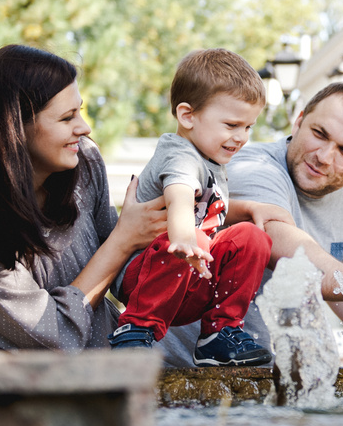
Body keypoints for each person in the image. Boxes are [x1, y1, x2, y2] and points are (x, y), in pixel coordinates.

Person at [158, 81, 343, 366]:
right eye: (319, 134)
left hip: (270, 376)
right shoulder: (251, 167)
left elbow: (337, 286)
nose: (323, 157)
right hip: (184, 372)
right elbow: (282, 241)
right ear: (299, 122)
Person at [0, 44, 166, 351]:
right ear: (15, 126)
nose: (84, 128)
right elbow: (53, 334)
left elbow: (122, 274)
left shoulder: (84, 163)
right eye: (67, 118)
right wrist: (124, 240)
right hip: (9, 380)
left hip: (99, 370)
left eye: (80, 111)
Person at [109, 48, 293, 367]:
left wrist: (250, 209)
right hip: (143, 278)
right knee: (193, 237)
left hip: (191, 277)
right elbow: (180, 198)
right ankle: (134, 328)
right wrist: (184, 238)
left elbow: (209, 210)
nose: (241, 137)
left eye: (248, 127)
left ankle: (219, 333)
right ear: (187, 116)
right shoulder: (179, 154)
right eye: (232, 125)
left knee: (252, 237)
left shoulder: (211, 160)